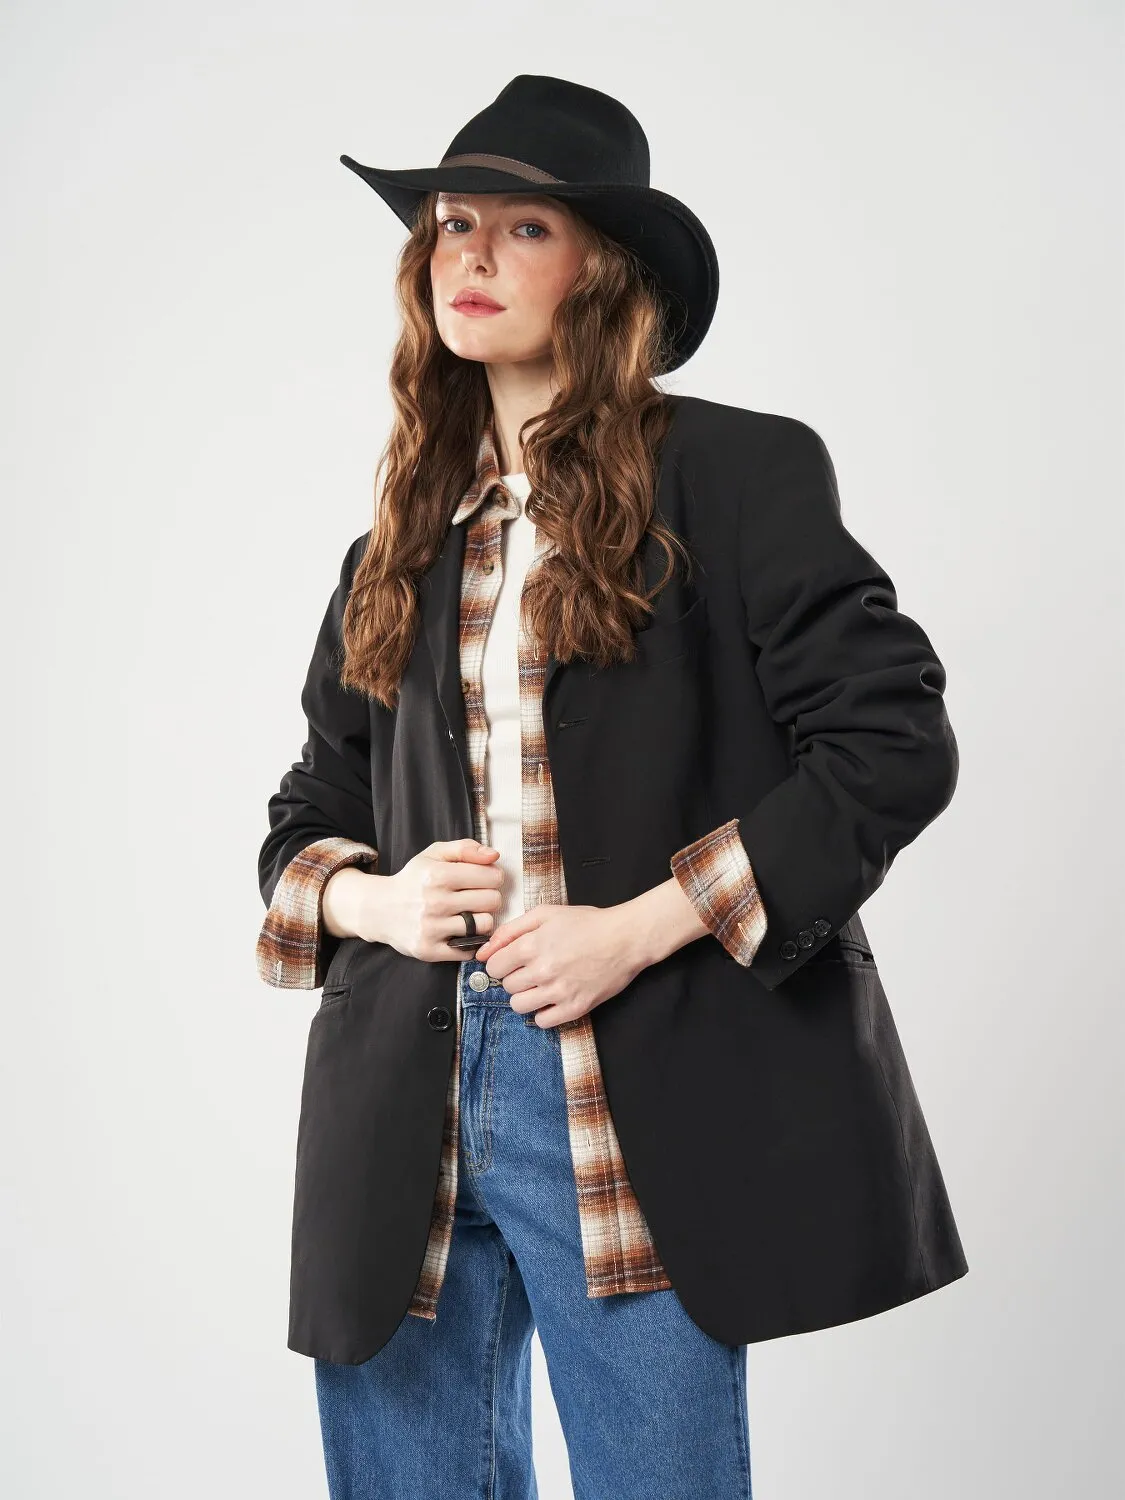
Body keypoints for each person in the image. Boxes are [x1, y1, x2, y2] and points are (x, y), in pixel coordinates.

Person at [255, 74, 967, 1499]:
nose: (470, 253)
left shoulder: (738, 473)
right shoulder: (396, 544)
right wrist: (382, 903)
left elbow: (892, 742)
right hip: (401, 1101)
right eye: (453, 223)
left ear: (604, 273)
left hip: (629, 1085)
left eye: (525, 228)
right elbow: (302, 817)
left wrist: (636, 930)